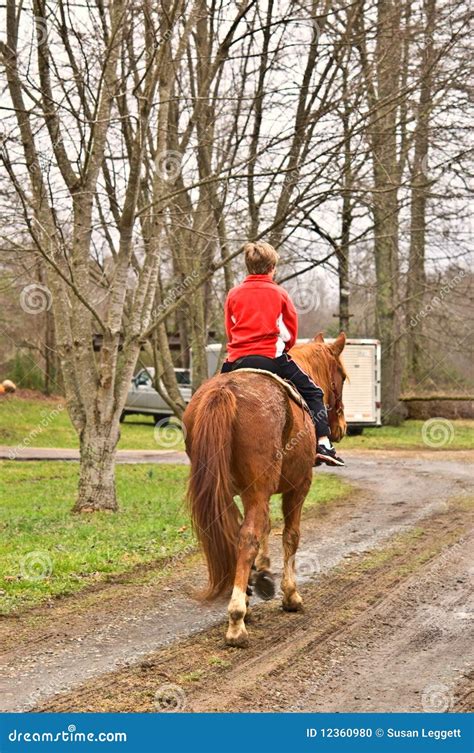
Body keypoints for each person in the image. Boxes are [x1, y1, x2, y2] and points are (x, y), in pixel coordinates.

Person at [221, 241, 344, 467]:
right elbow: (290, 333)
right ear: (272, 268)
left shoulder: (233, 294)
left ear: (248, 266)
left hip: (236, 360)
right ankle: (324, 443)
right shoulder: (280, 294)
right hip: (272, 359)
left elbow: (230, 329)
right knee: (314, 392)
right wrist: (284, 348)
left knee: (214, 394)